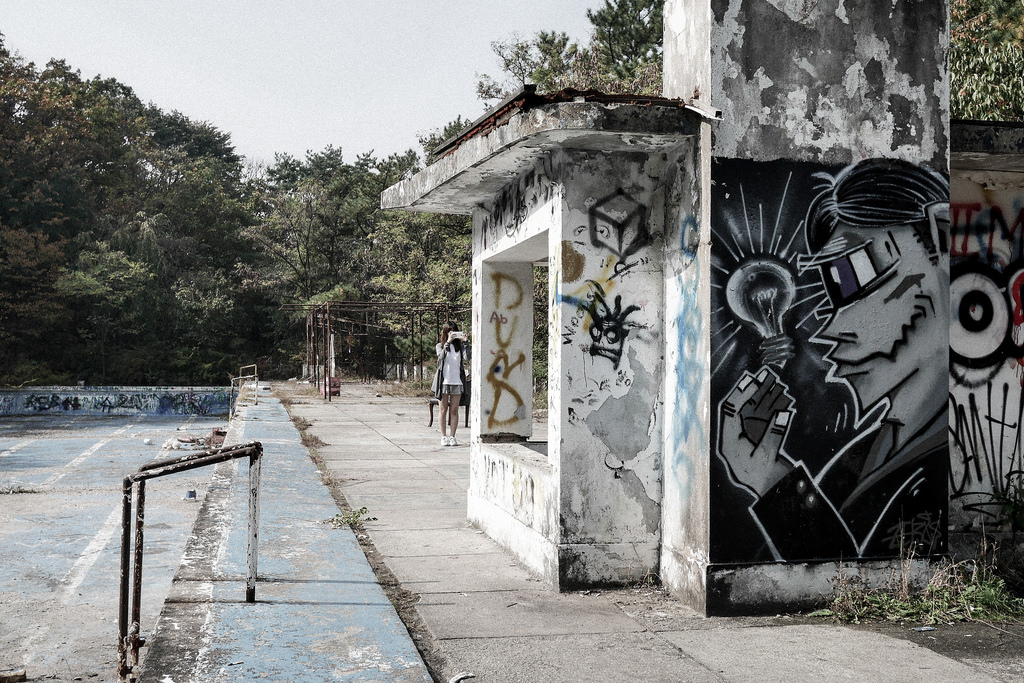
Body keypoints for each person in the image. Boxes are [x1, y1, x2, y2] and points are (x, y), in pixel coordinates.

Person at [717, 158, 950, 561]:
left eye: (863, 270)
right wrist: (765, 470)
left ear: (943, 241)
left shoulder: (941, 464)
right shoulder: (871, 451)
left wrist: (769, 478)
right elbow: (844, 560)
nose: (830, 332)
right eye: (837, 288)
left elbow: (850, 576)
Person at [434, 321, 468, 446]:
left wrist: (466, 342)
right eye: (449, 331)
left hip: (457, 382)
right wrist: (447, 342)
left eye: (454, 331)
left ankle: (452, 436)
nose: (452, 334)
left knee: (454, 410)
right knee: (443, 410)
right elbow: (440, 359)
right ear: (446, 332)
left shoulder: (460, 347)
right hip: (443, 381)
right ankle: (443, 436)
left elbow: (467, 357)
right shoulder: (440, 345)